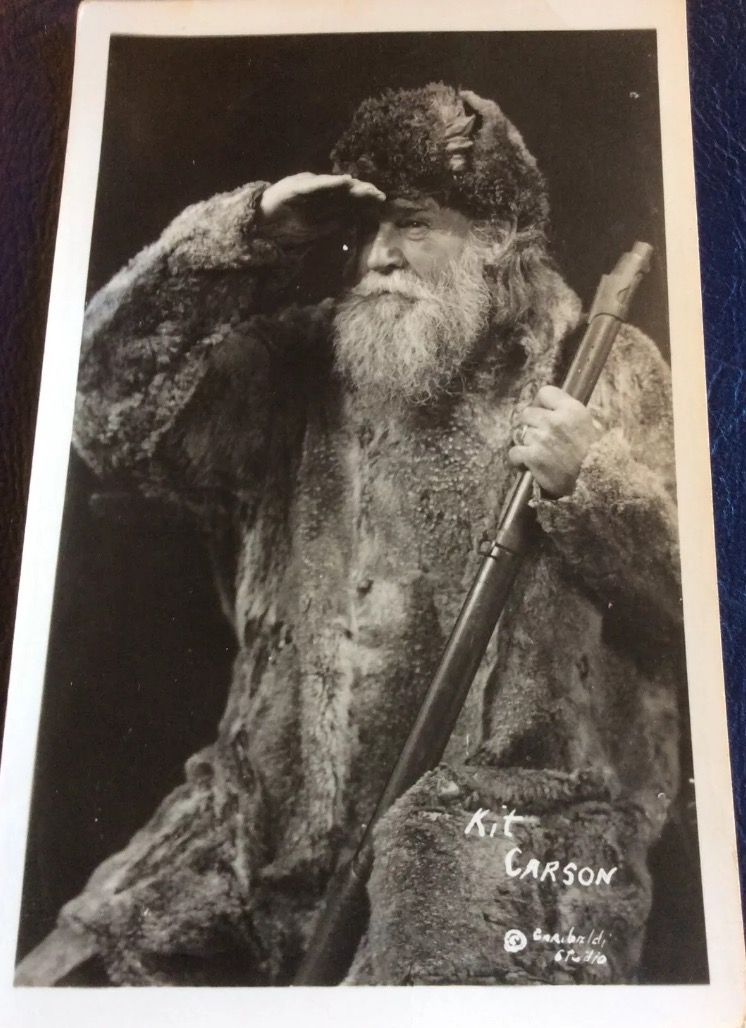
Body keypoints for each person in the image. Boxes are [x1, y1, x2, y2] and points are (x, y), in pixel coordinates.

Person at [17, 83, 684, 986]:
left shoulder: (597, 372)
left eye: (412, 225)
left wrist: (592, 482)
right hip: (263, 832)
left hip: (499, 846)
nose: (378, 256)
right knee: (60, 983)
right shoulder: (304, 364)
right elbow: (102, 409)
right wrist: (240, 236)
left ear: (497, 239)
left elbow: (701, 611)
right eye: (367, 231)